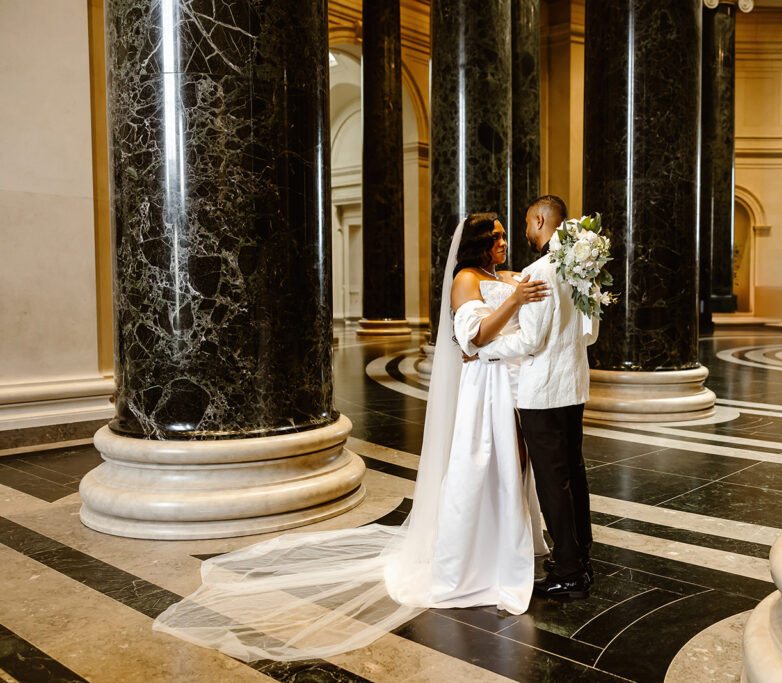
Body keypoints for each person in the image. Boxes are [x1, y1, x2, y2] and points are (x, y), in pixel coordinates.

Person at [151, 213, 549, 662]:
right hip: (485, 395)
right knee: (482, 471)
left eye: (502, 234)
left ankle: (506, 546)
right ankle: (477, 561)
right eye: (495, 236)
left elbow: (536, 283)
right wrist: (515, 301)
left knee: (514, 469)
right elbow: (473, 338)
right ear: (477, 243)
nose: (503, 241)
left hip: (513, 386)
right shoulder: (465, 279)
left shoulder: (502, 275)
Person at [475, 195, 599, 599]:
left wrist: (482, 349)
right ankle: (581, 556)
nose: (525, 231)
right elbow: (590, 333)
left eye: (528, 223)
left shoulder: (538, 271)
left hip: (542, 392)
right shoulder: (582, 268)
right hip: (574, 384)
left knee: (552, 481)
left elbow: (529, 341)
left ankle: (568, 571)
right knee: (573, 473)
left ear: (541, 219)